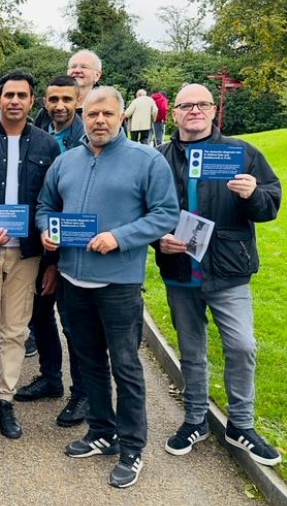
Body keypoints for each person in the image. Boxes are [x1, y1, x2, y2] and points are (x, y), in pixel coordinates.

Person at [37, 86, 179, 488]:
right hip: (73, 279)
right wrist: (48, 230)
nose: (99, 121)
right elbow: (46, 207)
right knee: (88, 361)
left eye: (108, 114)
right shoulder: (67, 162)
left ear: (122, 117)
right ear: (84, 115)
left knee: (126, 366)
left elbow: (166, 212)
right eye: (93, 114)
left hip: (119, 281)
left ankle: (133, 447)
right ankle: (102, 431)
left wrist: (122, 236)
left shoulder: (146, 160)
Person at [155, 84, 282, 466]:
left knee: (242, 346)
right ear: (174, 113)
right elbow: (144, 210)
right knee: (192, 352)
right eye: (186, 105)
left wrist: (253, 193)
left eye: (202, 104)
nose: (194, 110)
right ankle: (195, 419)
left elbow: (271, 204)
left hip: (229, 270)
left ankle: (241, 424)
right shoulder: (159, 159)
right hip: (180, 272)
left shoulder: (242, 153)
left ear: (213, 111)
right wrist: (157, 239)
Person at [0, 71, 61, 446]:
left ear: (32, 101)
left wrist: (54, 261)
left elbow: (54, 202)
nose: (15, 101)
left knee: (16, 330)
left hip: (28, 252)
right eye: (9, 95)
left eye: (22, 95)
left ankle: (6, 398)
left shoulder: (48, 146)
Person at [16, 75, 89, 428]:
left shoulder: (87, 140)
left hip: (74, 246)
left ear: (78, 101)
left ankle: (82, 392)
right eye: (53, 99)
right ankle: (50, 376)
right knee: (40, 314)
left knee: (73, 322)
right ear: (42, 102)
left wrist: (58, 261)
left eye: (66, 99)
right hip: (39, 238)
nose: (59, 105)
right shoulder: (39, 133)